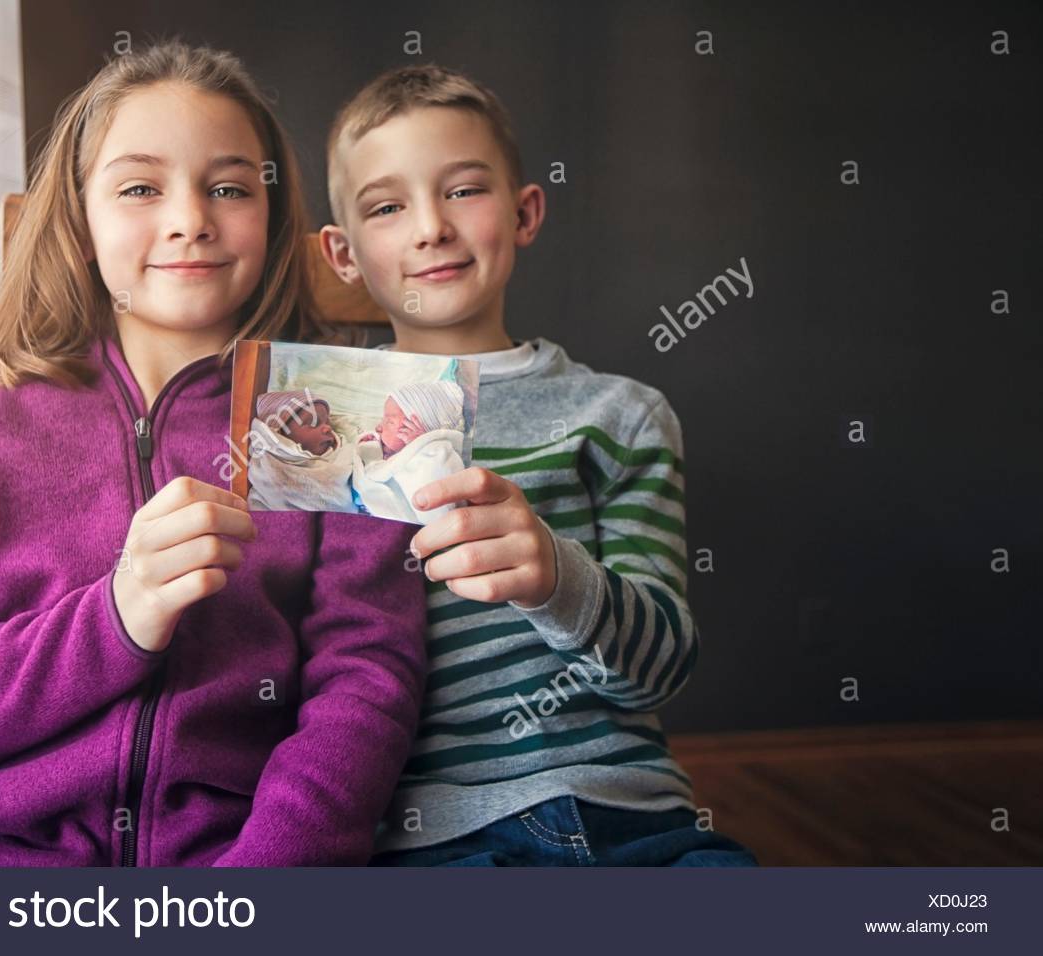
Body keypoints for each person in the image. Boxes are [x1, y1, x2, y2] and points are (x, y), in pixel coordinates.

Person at [0, 39, 425, 867]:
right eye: (141, 187)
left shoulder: (336, 420)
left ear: (275, 216)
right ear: (79, 222)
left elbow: (364, 693)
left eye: (229, 188)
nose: (190, 219)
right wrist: (115, 617)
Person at [320, 64, 757, 866]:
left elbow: (658, 670)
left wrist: (558, 575)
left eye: (462, 191)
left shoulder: (621, 414)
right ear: (344, 255)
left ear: (525, 212)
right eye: (388, 207)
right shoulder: (327, 432)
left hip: (638, 820)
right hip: (436, 842)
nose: (430, 229)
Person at [353, 382, 467, 523]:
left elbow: (438, 506)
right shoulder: (394, 453)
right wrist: (370, 454)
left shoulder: (434, 454)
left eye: (389, 422)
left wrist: (422, 445)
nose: (378, 427)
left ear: (421, 430)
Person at [246, 389, 358, 513]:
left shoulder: (344, 452)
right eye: (314, 423)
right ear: (280, 434)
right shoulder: (270, 466)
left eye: (327, 422)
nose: (327, 428)